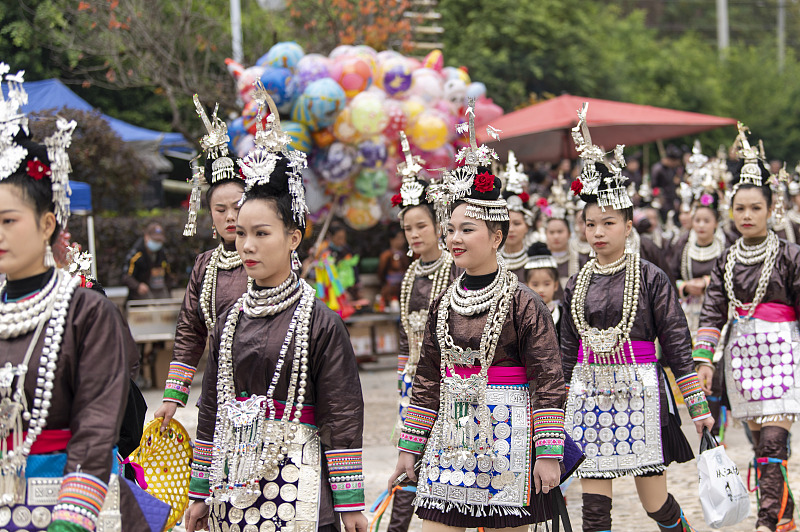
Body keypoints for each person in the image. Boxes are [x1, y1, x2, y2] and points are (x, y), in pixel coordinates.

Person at [184, 88, 367, 532]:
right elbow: (211, 407)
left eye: (262, 233)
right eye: (242, 233)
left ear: (293, 238)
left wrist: (349, 502)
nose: (247, 245)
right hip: (232, 486)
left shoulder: (319, 321)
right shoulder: (229, 320)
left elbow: (341, 412)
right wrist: (198, 493)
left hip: (298, 485)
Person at [0, 66, 166, 531]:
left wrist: (71, 520)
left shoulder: (85, 312)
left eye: (9, 220)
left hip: (74, 506)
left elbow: (97, 426)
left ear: (48, 224)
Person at [389, 108, 570, 531]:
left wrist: (547, 453)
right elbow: (429, 379)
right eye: (450, 229)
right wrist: (409, 448)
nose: (454, 238)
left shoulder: (525, 303)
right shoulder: (444, 302)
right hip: (451, 438)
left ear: (496, 237)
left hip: (508, 438)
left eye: (466, 229)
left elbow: (548, 379)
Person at [562, 104, 713, 532]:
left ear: (629, 225)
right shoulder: (576, 284)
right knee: (594, 511)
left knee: (655, 504)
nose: (598, 232)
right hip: (589, 394)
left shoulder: (650, 278)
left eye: (608, 222)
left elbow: (678, 343)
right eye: (590, 223)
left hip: (641, 393)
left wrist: (697, 406)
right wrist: (554, 410)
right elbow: (566, 349)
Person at [693, 125, 800, 532]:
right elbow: (713, 310)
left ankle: (767, 521)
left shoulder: (790, 255)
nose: (747, 216)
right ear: (730, 212)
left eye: (755, 208)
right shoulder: (726, 260)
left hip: (783, 354)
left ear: (771, 209)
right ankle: (785, 511)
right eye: (740, 209)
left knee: (772, 444)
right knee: (762, 445)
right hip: (743, 358)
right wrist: (703, 359)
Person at [153, 95, 250, 429]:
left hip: (270, 389)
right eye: (220, 210)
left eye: (238, 206)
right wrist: (172, 396)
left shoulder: (272, 257)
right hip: (217, 391)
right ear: (210, 216)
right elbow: (190, 330)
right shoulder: (205, 266)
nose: (230, 216)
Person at [386, 132, 461, 532]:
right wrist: (403, 378)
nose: (414, 235)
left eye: (421, 226)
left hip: (447, 381)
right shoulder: (411, 273)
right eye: (407, 228)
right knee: (407, 455)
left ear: (437, 224)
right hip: (412, 381)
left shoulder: (455, 269)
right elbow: (404, 332)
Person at [499, 151, 535, 282]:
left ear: (527, 224)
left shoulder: (536, 257)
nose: (511, 229)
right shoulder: (489, 259)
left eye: (517, 223)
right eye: (507, 224)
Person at [122, 221, 173, 300]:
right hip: (140, 299)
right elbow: (126, 277)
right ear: (146, 237)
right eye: (155, 240)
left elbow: (168, 275)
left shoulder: (163, 254)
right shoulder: (136, 254)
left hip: (159, 295)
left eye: (159, 241)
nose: (157, 243)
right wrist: (138, 286)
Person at [525, 242, 563, 340]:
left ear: (555, 285)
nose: (541, 290)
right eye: (535, 284)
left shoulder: (564, 314)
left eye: (546, 284)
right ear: (526, 286)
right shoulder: (522, 315)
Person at [377, 222, 411, 305]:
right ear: (391, 240)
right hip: (390, 287)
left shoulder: (407, 254)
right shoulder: (386, 255)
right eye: (398, 238)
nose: (401, 241)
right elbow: (381, 273)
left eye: (402, 238)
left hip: (404, 286)